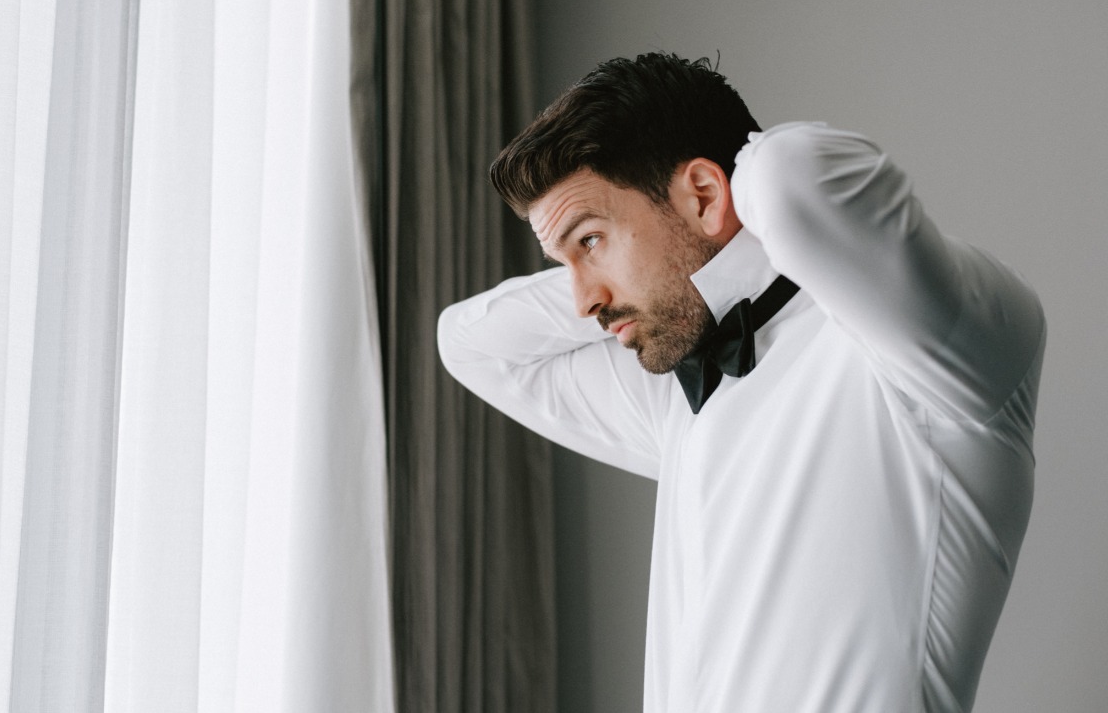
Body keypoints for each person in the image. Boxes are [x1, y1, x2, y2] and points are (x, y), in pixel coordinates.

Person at [436, 53, 1045, 712]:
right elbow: (468, 343)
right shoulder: (677, 395)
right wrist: (625, 265)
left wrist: (724, 218)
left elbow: (793, 175)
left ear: (704, 193)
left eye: (590, 241)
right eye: (563, 262)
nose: (583, 301)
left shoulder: (937, 363)